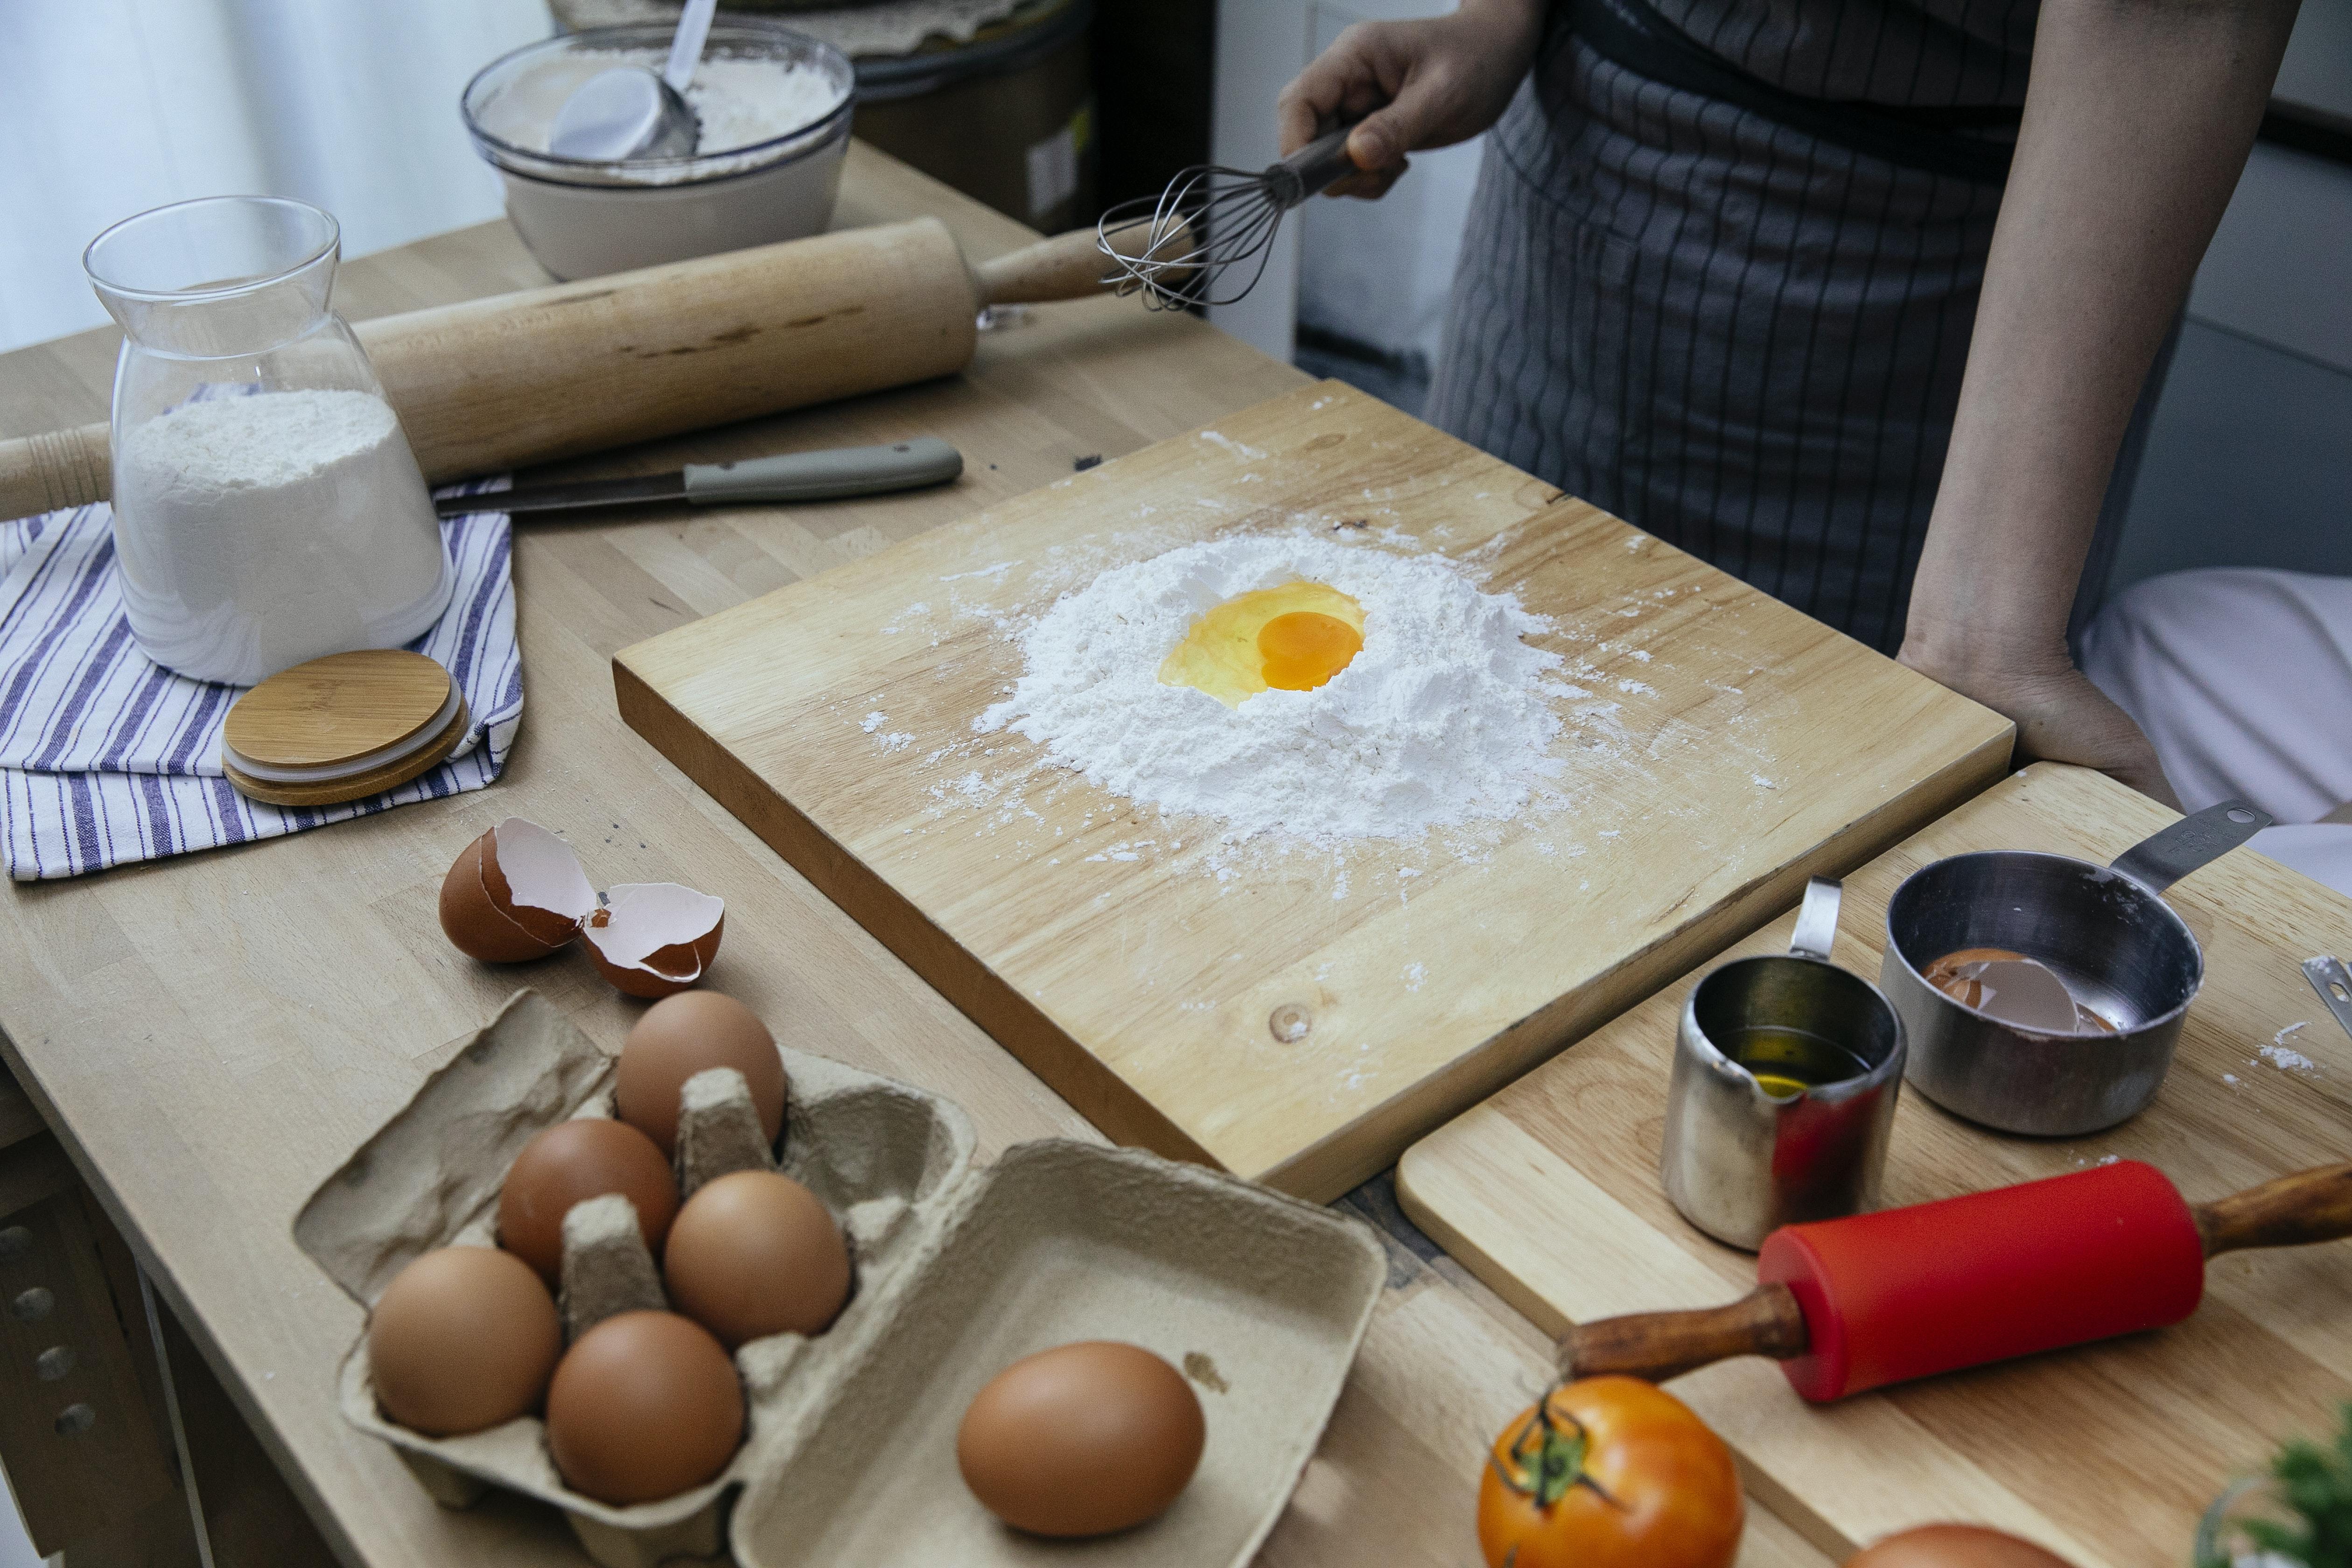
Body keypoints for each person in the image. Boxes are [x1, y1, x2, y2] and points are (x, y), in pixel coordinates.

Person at [1276, 0, 2303, 808]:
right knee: (1447, 724)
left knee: (1812, 815)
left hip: (1969, 295)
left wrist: (1984, 639)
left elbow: (2172, 9)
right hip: (1584, 178)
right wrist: (1499, 16)